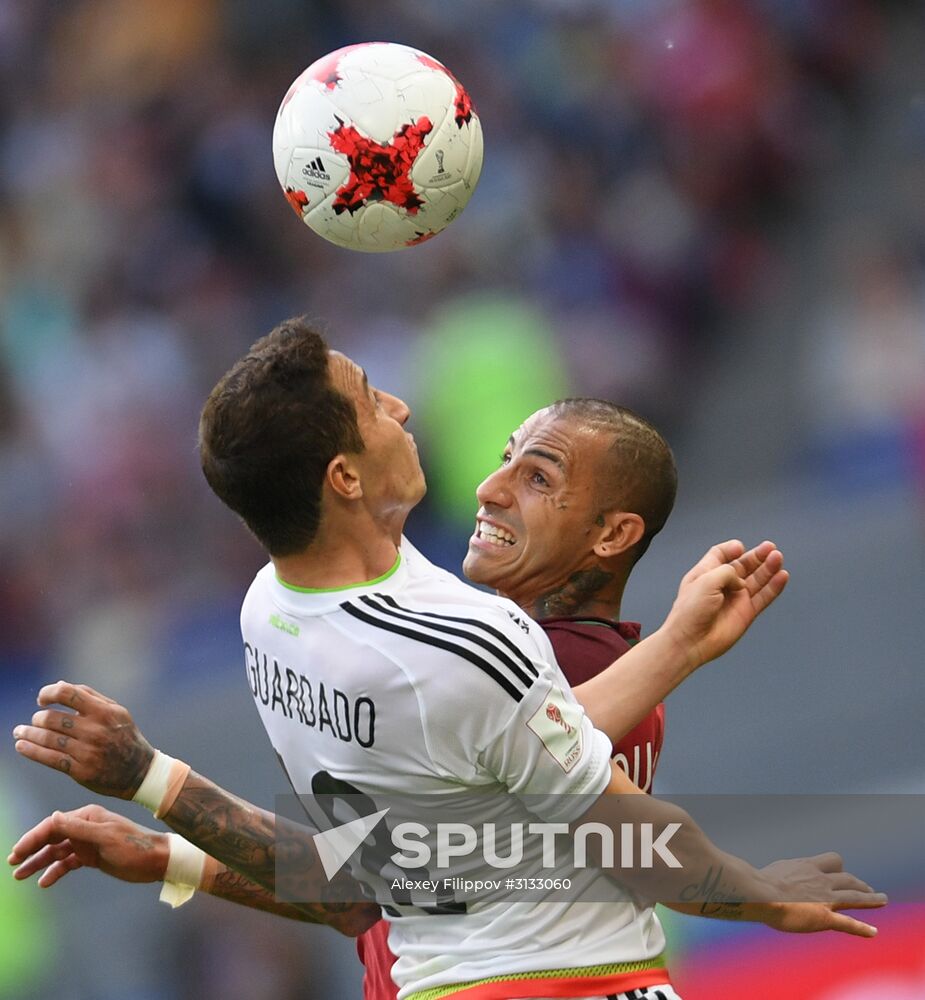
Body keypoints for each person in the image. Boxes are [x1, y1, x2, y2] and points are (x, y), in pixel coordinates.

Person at [10, 320, 884, 1000]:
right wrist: (764, 895)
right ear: (344, 478)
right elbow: (632, 838)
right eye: (369, 397)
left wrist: (161, 814)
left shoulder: (270, 611)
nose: (401, 405)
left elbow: (361, 883)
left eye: (533, 472)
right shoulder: (474, 642)